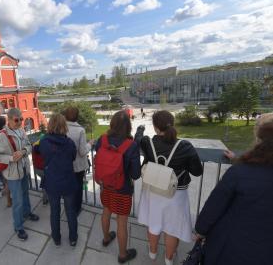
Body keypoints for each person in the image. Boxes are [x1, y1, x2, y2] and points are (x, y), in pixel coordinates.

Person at [194, 113, 273, 265]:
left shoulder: (240, 172)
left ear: (259, 140)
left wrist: (200, 230)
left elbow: (214, 206)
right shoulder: (242, 171)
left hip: (232, 250)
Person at [136, 110, 203, 265]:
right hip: (176, 194)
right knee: (172, 228)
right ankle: (168, 259)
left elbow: (138, 139)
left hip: (153, 191)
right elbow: (197, 172)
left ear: (155, 127)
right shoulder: (185, 146)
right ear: (172, 124)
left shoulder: (148, 142)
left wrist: (140, 130)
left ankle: (152, 254)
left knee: (154, 223)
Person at [94, 111, 141, 264]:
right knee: (121, 221)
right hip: (122, 189)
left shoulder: (102, 139)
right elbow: (135, 175)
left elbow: (99, 156)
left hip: (105, 185)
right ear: (128, 126)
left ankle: (106, 238)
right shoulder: (131, 145)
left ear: (112, 124)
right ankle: (122, 255)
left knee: (106, 210)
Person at [0, 108, 39, 241]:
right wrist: (10, 158)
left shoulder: (21, 131)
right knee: (17, 201)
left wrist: (23, 151)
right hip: (12, 174)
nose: (20, 122)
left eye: (21, 119)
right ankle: (18, 227)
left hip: (23, 169)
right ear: (9, 120)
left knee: (25, 193)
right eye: (17, 120)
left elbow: (29, 145)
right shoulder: (2, 136)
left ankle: (27, 213)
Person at [36, 114, 78, 246]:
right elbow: (72, 158)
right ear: (64, 126)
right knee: (70, 211)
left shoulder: (44, 142)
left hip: (52, 181)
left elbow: (43, 155)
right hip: (67, 181)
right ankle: (73, 238)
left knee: (54, 211)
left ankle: (56, 238)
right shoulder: (70, 143)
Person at [64, 106, 93, 215]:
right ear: (77, 116)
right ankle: (76, 209)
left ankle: (69, 208)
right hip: (78, 166)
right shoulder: (80, 130)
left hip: (65, 165)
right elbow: (82, 151)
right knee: (78, 188)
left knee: (68, 188)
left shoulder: (61, 127)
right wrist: (90, 144)